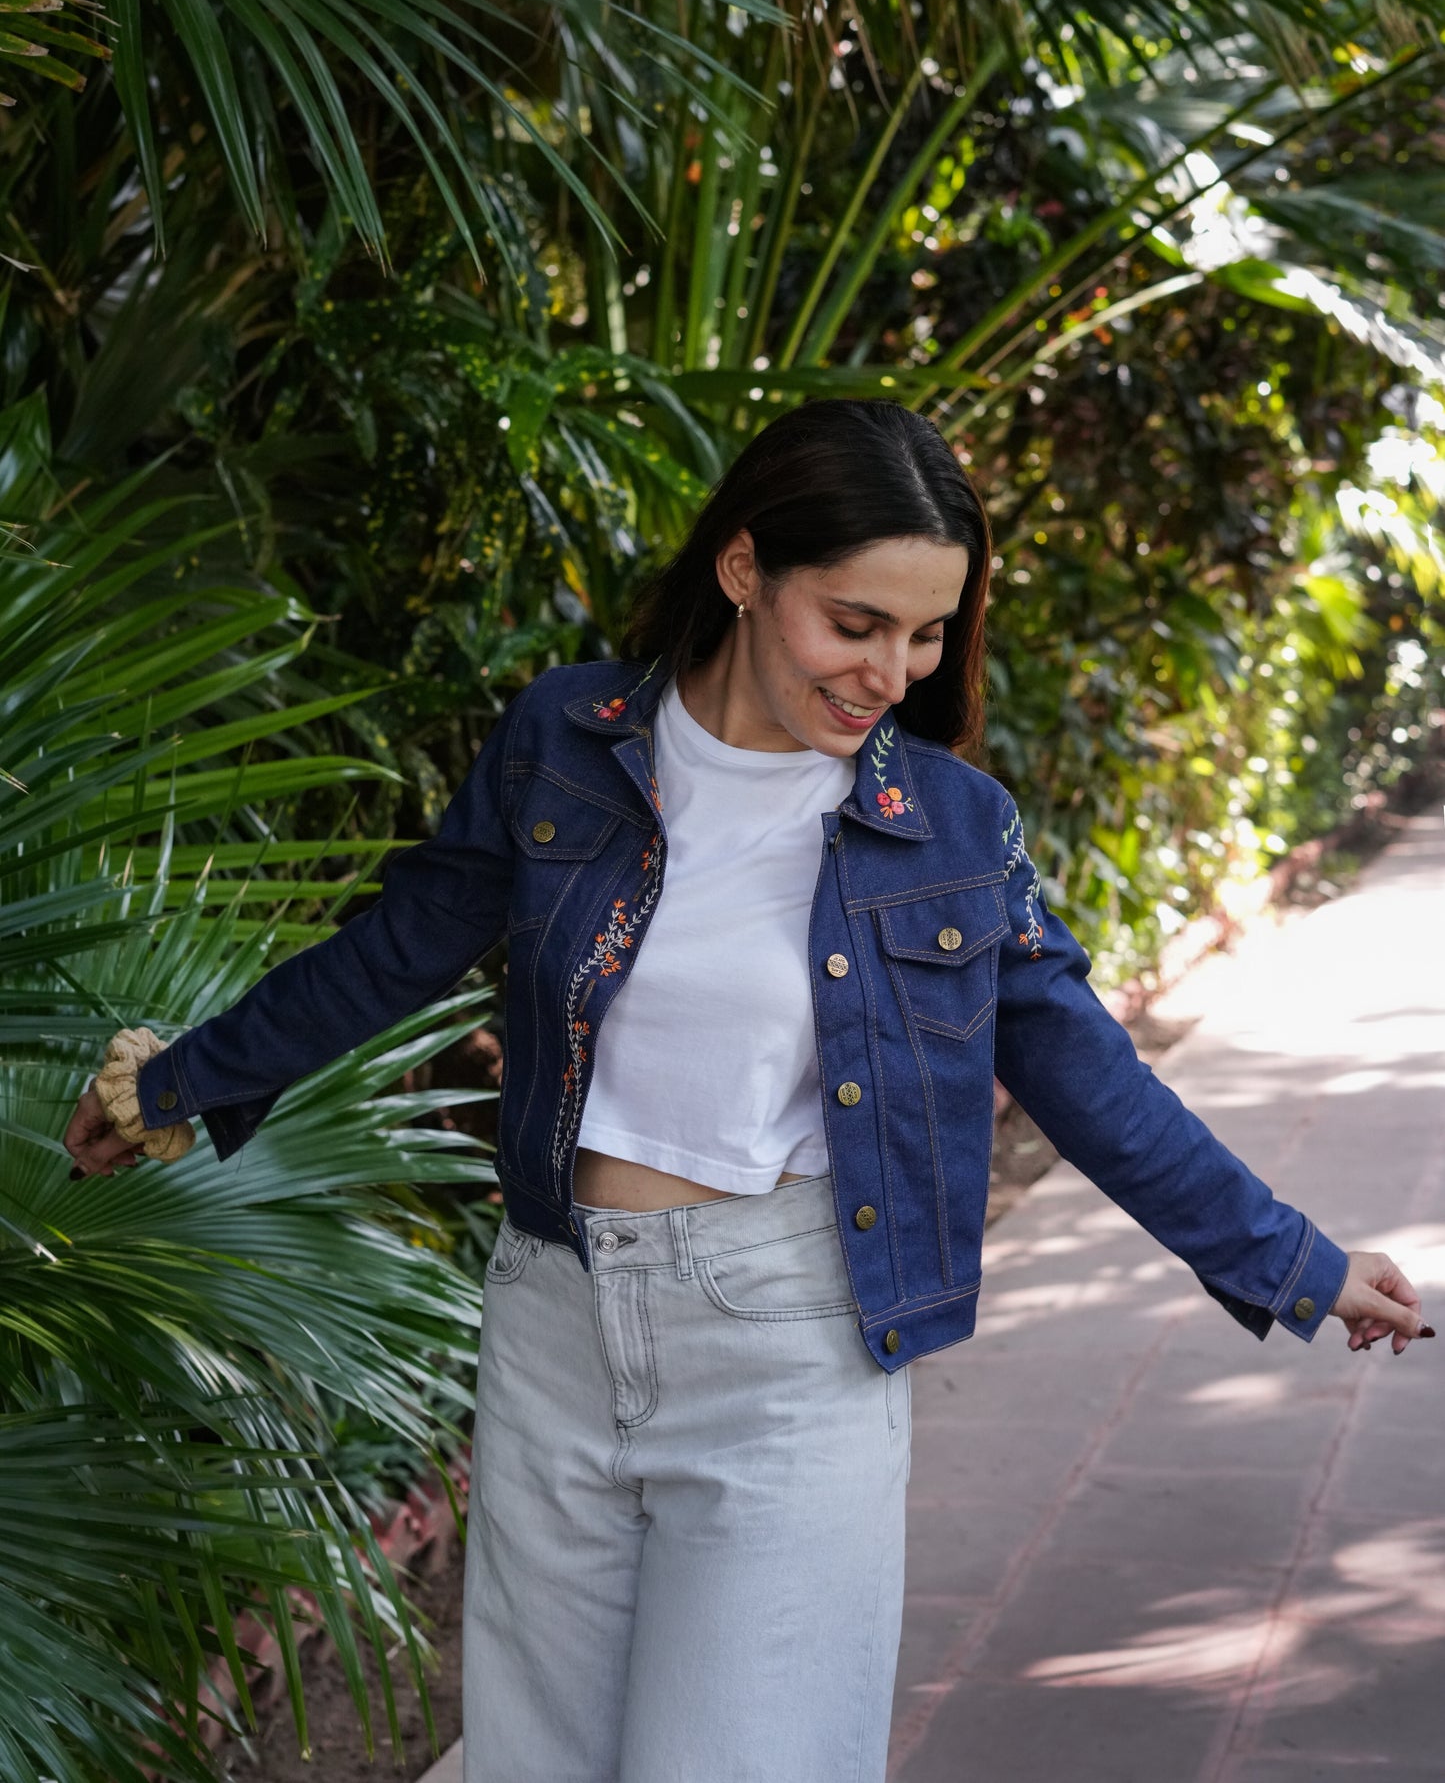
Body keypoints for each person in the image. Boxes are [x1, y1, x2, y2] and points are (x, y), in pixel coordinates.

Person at [65, 398, 1431, 1783]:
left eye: (925, 632)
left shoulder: (947, 830)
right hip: (555, 1317)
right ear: (741, 570)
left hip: (788, 1342)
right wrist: (172, 1086)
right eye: (853, 623)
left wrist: (1293, 1261)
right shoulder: (566, 743)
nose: (890, 669)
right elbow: (396, 948)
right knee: (540, 1763)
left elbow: (1082, 1071)